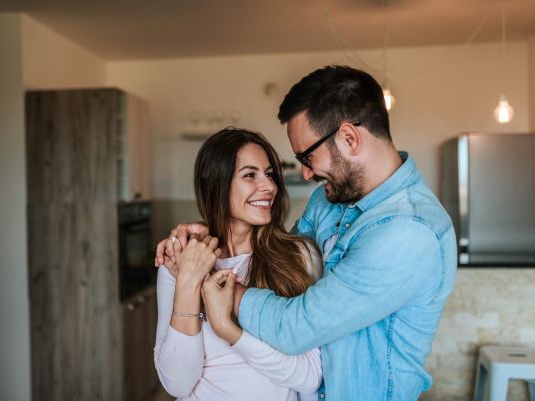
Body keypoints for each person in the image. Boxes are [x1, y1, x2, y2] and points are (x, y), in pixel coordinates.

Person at [156, 65, 457, 401]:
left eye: (307, 156)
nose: (305, 172)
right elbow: (284, 256)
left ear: (349, 138)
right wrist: (197, 243)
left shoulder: (409, 231)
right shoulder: (329, 199)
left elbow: (297, 325)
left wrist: (216, 289)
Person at [154, 128, 323, 401]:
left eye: (269, 174)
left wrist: (229, 331)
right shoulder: (180, 261)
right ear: (216, 184)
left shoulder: (299, 258)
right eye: (249, 175)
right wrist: (188, 280)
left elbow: (310, 376)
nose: (269, 186)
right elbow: (177, 384)